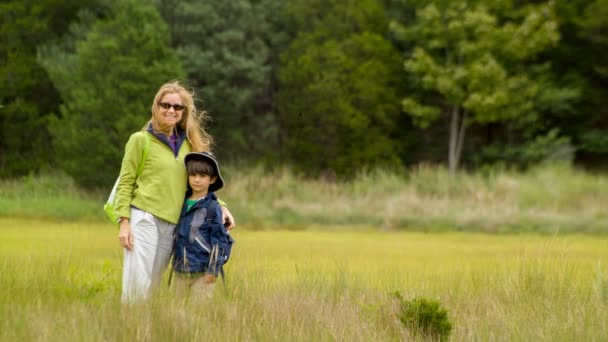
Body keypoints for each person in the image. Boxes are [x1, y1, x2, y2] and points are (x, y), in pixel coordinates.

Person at [114, 81, 235, 303]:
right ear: (156, 106)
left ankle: (146, 333)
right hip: (144, 217)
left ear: (183, 112)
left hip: (172, 225)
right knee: (137, 283)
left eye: (177, 107)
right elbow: (126, 182)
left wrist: (221, 206)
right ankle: (129, 330)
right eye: (165, 105)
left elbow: (199, 183)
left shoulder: (189, 145)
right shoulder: (140, 140)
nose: (171, 110)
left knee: (154, 284)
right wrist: (123, 221)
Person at [172, 152, 233, 300]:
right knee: (176, 313)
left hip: (203, 274)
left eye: (202, 176)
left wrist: (212, 271)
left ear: (212, 179)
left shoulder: (213, 208)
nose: (197, 180)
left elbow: (219, 241)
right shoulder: (180, 203)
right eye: (193, 175)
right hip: (180, 271)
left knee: (199, 315)